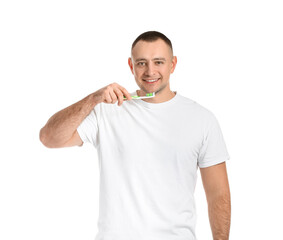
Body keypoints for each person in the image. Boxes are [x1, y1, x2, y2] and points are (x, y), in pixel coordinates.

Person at [40, 31, 231, 240]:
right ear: (131, 66)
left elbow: (218, 195)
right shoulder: (108, 111)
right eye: (141, 63)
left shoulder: (202, 119)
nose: (150, 71)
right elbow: (49, 138)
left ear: (173, 64)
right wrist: (93, 99)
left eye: (159, 62)